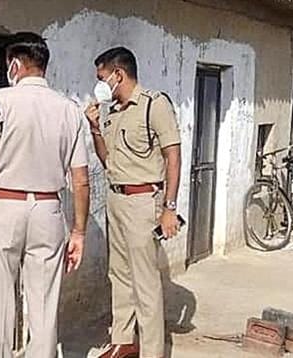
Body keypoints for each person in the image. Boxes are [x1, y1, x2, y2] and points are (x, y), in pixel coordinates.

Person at [0, 32, 90, 358]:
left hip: (3, 208)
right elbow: (81, 180)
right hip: (48, 211)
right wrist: (79, 232)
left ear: (14, 64)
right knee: (44, 308)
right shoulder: (70, 109)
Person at [84, 47, 182, 358]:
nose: (100, 85)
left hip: (143, 201)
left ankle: (152, 352)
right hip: (116, 198)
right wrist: (96, 128)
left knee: (145, 282)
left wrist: (169, 208)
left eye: (102, 78)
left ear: (118, 74)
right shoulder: (111, 111)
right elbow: (107, 160)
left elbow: (173, 156)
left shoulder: (155, 104)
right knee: (120, 275)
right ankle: (123, 342)